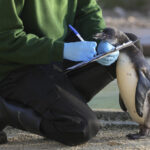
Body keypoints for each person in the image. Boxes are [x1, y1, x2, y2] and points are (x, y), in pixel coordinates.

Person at [0, 0, 120, 146]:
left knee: (125, 49)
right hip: (17, 68)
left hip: (56, 58)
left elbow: (87, 11)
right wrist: (61, 50)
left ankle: (62, 105)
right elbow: (6, 39)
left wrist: (102, 40)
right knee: (81, 127)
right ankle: (4, 111)